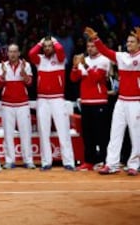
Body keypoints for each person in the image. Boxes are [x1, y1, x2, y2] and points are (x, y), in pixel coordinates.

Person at [84, 26, 140, 176]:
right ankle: (112, 164)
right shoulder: (122, 56)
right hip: (121, 101)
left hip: (136, 102)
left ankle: (134, 164)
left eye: (132, 41)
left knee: (136, 134)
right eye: (128, 41)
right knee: (115, 132)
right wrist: (96, 38)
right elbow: (105, 51)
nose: (128, 44)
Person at [28, 36, 75, 171]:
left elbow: (60, 50)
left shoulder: (60, 59)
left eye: (50, 46)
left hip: (57, 99)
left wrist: (53, 40)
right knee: (43, 131)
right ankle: (45, 162)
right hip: (42, 99)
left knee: (63, 130)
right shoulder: (40, 60)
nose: (47, 48)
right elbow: (31, 53)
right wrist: (40, 42)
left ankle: (69, 162)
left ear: (54, 47)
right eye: (46, 46)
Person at [70, 40, 111, 171]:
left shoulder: (104, 60)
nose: (90, 48)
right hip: (85, 102)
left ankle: (106, 161)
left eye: (93, 46)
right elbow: (73, 78)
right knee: (88, 135)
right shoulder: (85, 60)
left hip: (100, 102)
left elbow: (96, 78)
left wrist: (84, 65)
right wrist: (75, 66)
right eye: (88, 46)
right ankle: (89, 161)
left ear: (98, 47)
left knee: (102, 135)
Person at [0, 43, 35, 170]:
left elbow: (29, 83)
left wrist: (23, 73)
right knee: (8, 133)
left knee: (26, 133)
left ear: (19, 53)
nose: (12, 54)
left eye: (14, 51)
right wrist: (2, 75)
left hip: (22, 103)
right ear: (7, 53)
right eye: (10, 52)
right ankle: (9, 160)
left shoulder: (26, 65)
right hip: (7, 104)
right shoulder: (2, 66)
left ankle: (28, 160)